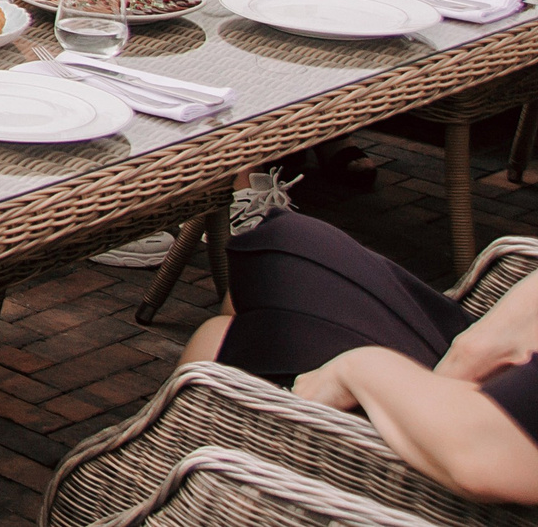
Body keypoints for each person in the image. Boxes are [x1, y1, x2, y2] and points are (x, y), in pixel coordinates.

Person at [176, 212, 538, 504]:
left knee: (223, 337)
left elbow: (485, 456)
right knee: (286, 241)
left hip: (477, 427)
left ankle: (183, 484)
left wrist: (354, 368)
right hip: (493, 382)